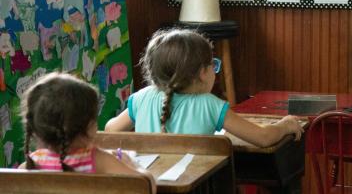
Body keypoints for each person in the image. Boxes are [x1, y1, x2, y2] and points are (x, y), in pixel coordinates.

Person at [105, 28, 303, 147]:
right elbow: (263, 137)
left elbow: (110, 129)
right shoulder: (209, 105)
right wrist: (285, 124)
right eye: (213, 65)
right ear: (202, 72)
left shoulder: (141, 98)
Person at [20, 72, 155, 190]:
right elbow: (146, 186)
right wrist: (131, 164)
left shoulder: (29, 166)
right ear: (89, 127)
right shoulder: (97, 159)